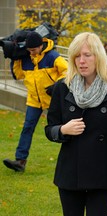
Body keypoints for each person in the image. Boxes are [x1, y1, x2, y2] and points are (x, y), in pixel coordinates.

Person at [44, 32, 107, 216]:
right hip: (70, 173)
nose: (81, 61)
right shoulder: (62, 87)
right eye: (77, 56)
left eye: (87, 55)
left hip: (102, 174)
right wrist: (63, 130)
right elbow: (49, 128)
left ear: (98, 57)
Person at [3, 31, 67, 172]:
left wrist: (56, 86)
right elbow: (18, 75)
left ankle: (73, 160)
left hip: (53, 100)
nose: (31, 53)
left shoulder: (53, 56)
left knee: (66, 129)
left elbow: (67, 72)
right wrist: (15, 58)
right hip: (33, 100)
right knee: (27, 128)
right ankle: (20, 161)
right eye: (28, 50)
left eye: (33, 50)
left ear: (40, 46)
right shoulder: (26, 58)